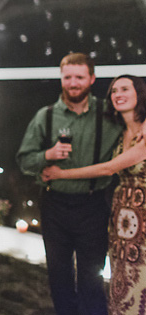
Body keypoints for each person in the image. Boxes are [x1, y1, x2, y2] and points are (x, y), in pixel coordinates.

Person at [16, 53, 123, 315]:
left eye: (79, 77)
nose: (73, 83)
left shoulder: (110, 114)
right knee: (59, 280)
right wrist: (46, 156)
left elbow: (136, 122)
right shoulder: (46, 116)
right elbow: (24, 161)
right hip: (55, 207)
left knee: (92, 281)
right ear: (61, 79)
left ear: (92, 79)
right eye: (67, 77)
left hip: (93, 205)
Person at [42, 75, 146, 314]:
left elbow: (109, 168)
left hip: (143, 216)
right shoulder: (120, 132)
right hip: (122, 219)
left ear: (139, 93)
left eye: (124, 89)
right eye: (113, 91)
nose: (117, 94)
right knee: (122, 280)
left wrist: (60, 174)